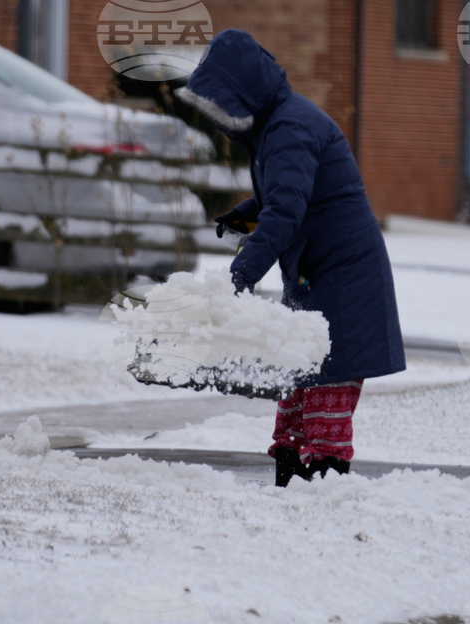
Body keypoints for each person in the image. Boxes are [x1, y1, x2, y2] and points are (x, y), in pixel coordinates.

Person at [175, 29, 406, 487]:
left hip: (345, 281)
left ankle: (325, 488)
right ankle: (294, 487)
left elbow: (285, 214)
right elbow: (287, 195)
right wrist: (245, 215)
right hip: (320, 277)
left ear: (243, 92)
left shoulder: (290, 128)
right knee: (298, 387)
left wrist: (237, 278)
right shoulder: (277, 128)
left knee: (323, 391)